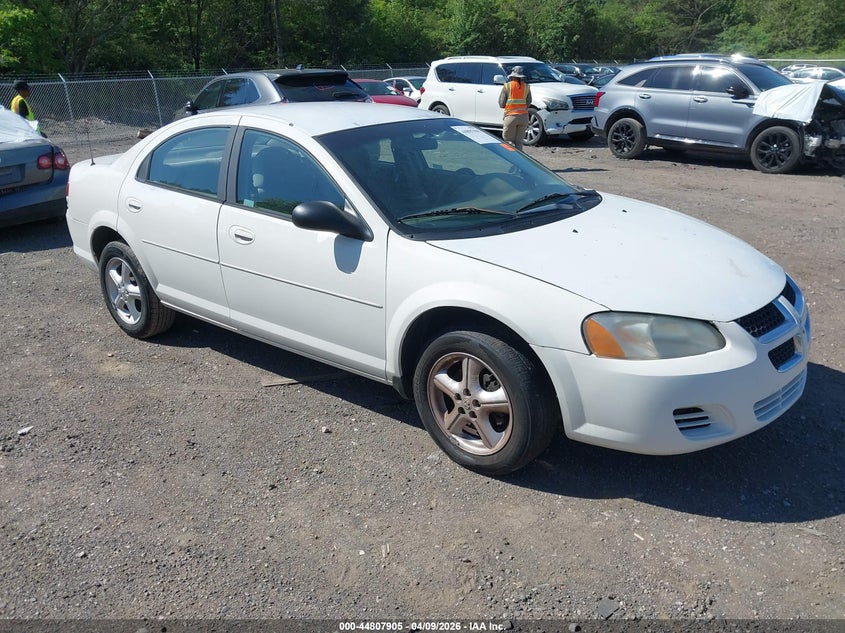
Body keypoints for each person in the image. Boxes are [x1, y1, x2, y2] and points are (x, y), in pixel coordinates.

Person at [498, 66, 532, 151]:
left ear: (512, 76)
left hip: (511, 117)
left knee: (508, 141)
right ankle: (519, 161)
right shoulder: (527, 87)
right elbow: (529, 101)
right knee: (519, 142)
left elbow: (501, 103)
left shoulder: (507, 86)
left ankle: (509, 160)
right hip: (524, 117)